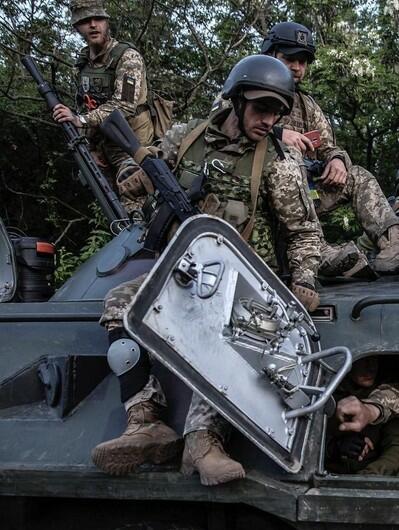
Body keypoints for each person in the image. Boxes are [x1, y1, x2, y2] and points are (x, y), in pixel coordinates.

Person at [90, 55, 323, 486]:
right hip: (182, 268)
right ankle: (145, 420)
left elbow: (305, 232)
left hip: (243, 280)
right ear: (236, 101)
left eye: (276, 113)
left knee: (228, 339)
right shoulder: (187, 135)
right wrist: (136, 175)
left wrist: (304, 279)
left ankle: (203, 442)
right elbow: (149, 170)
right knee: (119, 302)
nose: (268, 120)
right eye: (261, 108)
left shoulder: (280, 163)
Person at [259, 22, 399, 274]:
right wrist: (277, 134)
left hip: (307, 191)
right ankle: (318, 251)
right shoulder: (248, 87)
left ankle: (394, 246)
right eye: (289, 59)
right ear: (270, 54)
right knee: (291, 158)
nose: (296, 67)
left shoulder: (306, 105)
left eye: (302, 61)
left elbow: (328, 146)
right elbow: (222, 128)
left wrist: (337, 160)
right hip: (265, 191)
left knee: (358, 176)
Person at [52, 0, 155, 211]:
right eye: (85, 21)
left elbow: (124, 105)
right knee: (109, 209)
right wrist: (90, 147)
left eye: (98, 19)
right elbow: (85, 104)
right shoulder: (83, 63)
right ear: (76, 27)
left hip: (132, 145)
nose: (93, 25)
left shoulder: (128, 57)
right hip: (102, 148)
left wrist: (80, 120)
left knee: (137, 209)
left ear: (106, 22)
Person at [326, 357, 399, 476]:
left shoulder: (391, 396)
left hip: (372, 474)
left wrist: (368, 475)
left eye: (375, 359)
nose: (371, 368)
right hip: (329, 473)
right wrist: (334, 447)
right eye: (364, 360)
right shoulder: (325, 391)